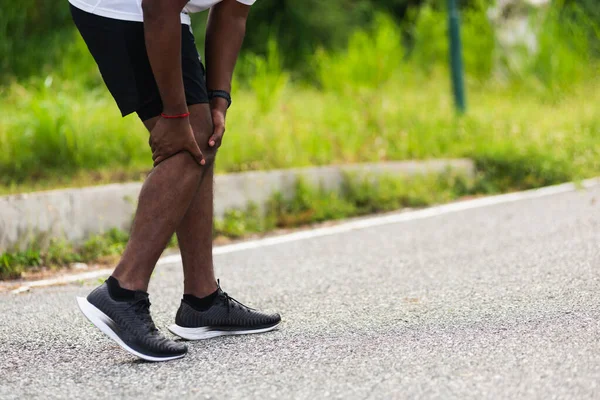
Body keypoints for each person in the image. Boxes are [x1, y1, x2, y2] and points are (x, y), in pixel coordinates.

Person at [70, 0, 281, 362]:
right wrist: (175, 113)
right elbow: (157, 7)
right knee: (190, 138)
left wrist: (218, 99)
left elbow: (232, 12)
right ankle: (123, 291)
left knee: (204, 136)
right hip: (120, 8)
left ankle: (202, 301)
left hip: (161, 13)